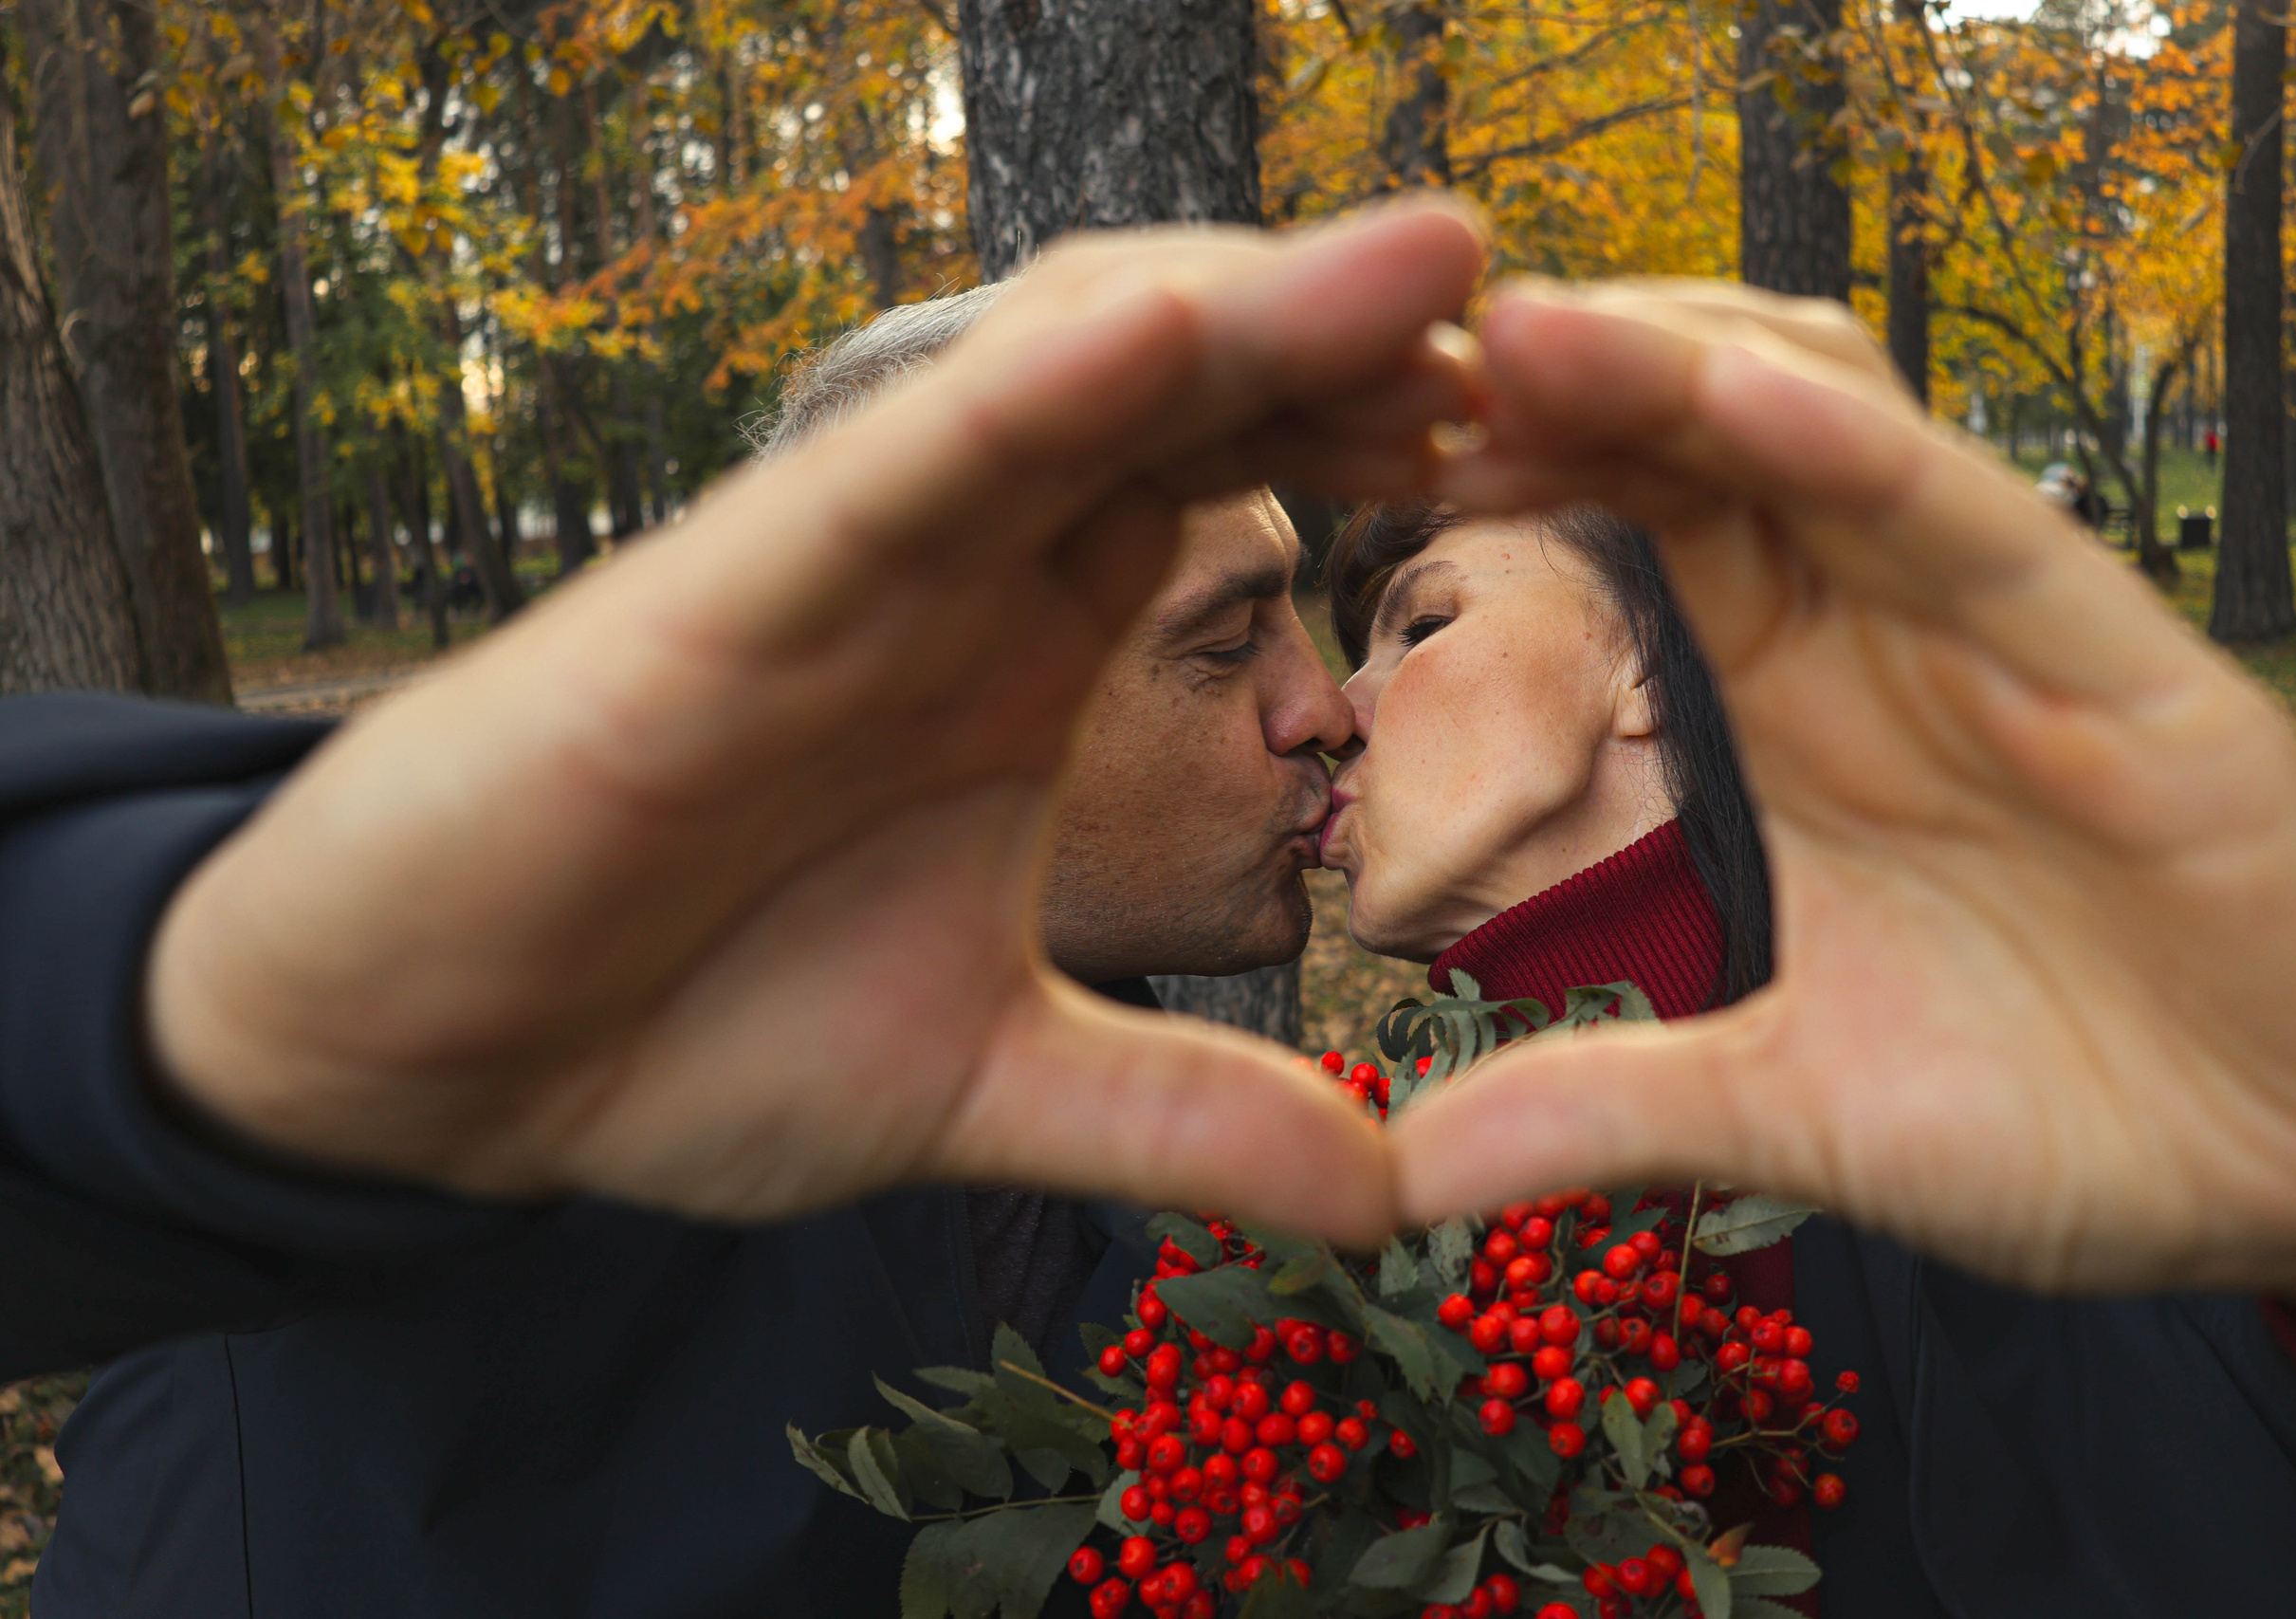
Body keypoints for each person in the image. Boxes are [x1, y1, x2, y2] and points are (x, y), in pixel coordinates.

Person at [3, 209, 1485, 1616]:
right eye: (1225, 643)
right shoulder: (574, 1017)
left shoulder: (1157, 1157)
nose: (1325, 707)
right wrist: (184, 985)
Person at [1321, 496, 2296, 1614]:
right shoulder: (1404, 1299)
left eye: (1422, 627)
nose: (1331, 712)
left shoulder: (2062, 1068)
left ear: (1653, 657)